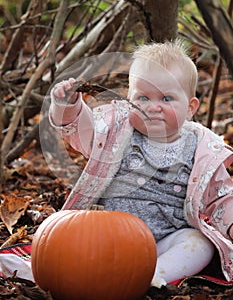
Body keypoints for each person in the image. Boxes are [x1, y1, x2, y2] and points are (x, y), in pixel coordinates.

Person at [49, 40, 233, 287]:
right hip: (112, 237)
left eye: (166, 98)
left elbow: (221, 198)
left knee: (198, 244)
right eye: (143, 97)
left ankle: (154, 275)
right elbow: (82, 133)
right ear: (129, 100)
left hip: (168, 240)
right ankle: (104, 272)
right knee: (71, 248)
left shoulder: (201, 149)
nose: (153, 107)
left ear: (190, 108)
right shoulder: (116, 133)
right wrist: (68, 106)